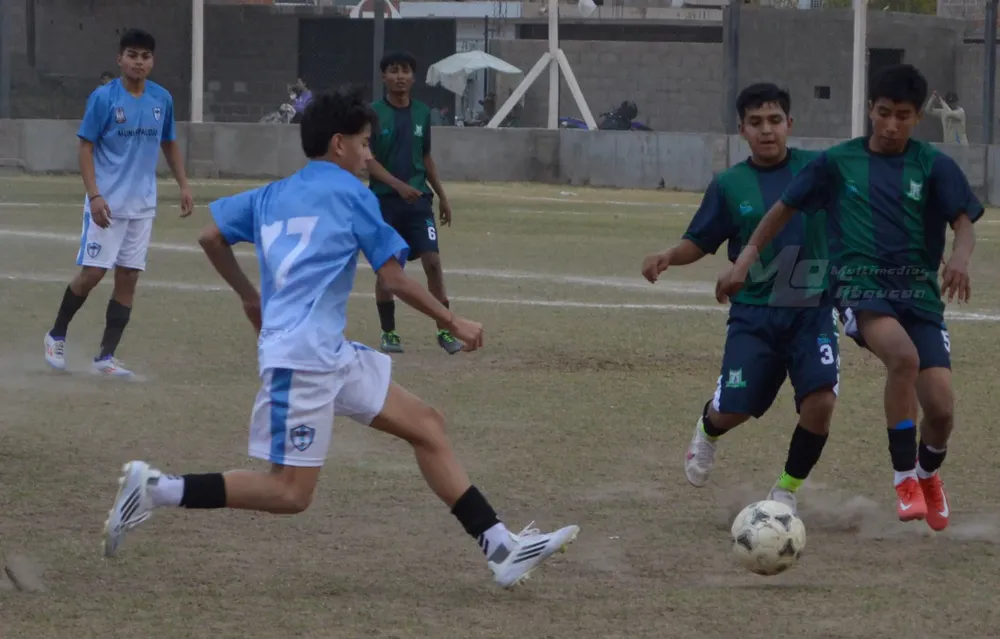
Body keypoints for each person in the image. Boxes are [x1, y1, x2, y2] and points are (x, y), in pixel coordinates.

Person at [101, 87, 579, 589]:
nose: (369, 154)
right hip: (302, 358)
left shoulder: (272, 194)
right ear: (339, 144)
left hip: (325, 351)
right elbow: (393, 279)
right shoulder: (355, 195)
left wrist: (249, 297)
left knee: (427, 425)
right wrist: (451, 321)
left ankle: (500, 546)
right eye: (365, 143)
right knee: (290, 493)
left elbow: (210, 236)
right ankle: (156, 489)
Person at [716, 64, 983, 531]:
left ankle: (927, 474)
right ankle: (903, 478)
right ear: (869, 110)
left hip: (917, 294)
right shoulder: (838, 162)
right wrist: (744, 261)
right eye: (883, 113)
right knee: (902, 358)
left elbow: (964, 221)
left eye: (903, 115)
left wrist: (960, 257)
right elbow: (781, 211)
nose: (892, 124)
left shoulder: (933, 165)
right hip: (860, 288)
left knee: (940, 409)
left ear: (918, 116)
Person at [641, 83, 838, 514]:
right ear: (741, 130)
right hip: (755, 312)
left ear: (790, 124)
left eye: (774, 121)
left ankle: (785, 490)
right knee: (737, 408)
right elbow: (702, 240)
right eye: (755, 123)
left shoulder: (821, 171)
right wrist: (670, 256)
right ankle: (708, 429)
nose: (766, 131)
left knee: (821, 400)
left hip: (810, 307)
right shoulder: (730, 184)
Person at [44, 29, 193, 377]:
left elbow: (169, 143)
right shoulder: (103, 98)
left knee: (128, 278)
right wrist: (94, 195)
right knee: (93, 273)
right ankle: (55, 335)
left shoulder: (162, 99)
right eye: (132, 55)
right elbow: (85, 146)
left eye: (144, 56)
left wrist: (184, 184)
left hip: (142, 206)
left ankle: (106, 358)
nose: (138, 62)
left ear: (152, 61)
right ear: (120, 59)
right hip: (107, 204)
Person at [367, 51, 459, 355]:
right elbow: (368, 160)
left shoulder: (422, 112)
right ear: (384, 77)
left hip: (419, 201)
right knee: (389, 268)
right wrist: (397, 185)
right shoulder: (373, 114)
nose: (399, 77)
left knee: (433, 262)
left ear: (413, 77)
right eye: (393, 71)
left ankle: (445, 331)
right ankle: (389, 332)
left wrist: (442, 196)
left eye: (405, 71)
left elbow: (426, 156)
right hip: (384, 203)